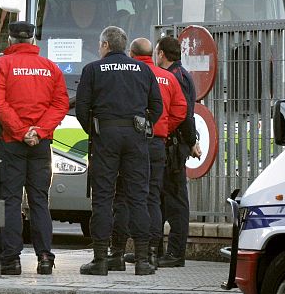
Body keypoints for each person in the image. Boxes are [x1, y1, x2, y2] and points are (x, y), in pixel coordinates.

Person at [75, 26, 163, 276]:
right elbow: (157, 106)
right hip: (136, 137)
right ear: (123, 46)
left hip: (106, 137)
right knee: (138, 197)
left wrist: (95, 131)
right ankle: (143, 261)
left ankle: (101, 259)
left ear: (105, 45)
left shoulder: (93, 69)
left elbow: (82, 108)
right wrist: (143, 126)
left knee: (103, 197)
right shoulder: (143, 69)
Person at [108, 38, 187, 270]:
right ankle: (151, 253)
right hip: (157, 143)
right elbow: (181, 110)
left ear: (131, 53)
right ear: (153, 53)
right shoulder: (168, 77)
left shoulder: (131, 73)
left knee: (123, 196)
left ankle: (118, 251)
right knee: (152, 196)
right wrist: (162, 127)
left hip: (132, 140)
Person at [0, 21, 69, 275]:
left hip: (11, 143)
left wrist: (20, 131)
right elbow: (60, 104)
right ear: (32, 41)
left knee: (10, 201)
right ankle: (45, 258)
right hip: (41, 144)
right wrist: (39, 131)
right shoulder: (51, 68)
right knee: (39, 201)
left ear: (10, 41)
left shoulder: (2, 65)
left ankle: (11, 259)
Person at [155, 36, 202, 268]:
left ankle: (175, 253)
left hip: (174, 146)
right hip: (172, 144)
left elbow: (184, 113)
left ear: (162, 53)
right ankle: (155, 250)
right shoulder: (178, 74)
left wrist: (191, 141)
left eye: (157, 51)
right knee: (162, 200)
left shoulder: (176, 77)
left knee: (176, 202)